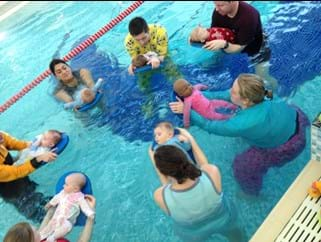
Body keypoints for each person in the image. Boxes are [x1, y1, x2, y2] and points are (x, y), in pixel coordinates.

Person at [169, 73, 309, 195]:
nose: (230, 91)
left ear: (246, 100)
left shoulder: (241, 124)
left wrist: (188, 111)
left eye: (234, 91)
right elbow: (225, 94)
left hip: (288, 147)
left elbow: (209, 125)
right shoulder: (264, 93)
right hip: (299, 119)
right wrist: (196, 96)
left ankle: (251, 195)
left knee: (242, 167)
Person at [149, 128, 244, 242]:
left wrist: (154, 159)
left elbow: (165, 186)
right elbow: (204, 164)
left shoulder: (159, 195)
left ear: (163, 172)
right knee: (234, 233)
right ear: (186, 159)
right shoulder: (212, 172)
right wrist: (190, 138)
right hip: (223, 219)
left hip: (193, 233)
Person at [204, 1, 278, 90]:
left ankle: (277, 93)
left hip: (256, 45)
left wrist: (224, 44)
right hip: (232, 39)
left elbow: (239, 48)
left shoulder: (249, 16)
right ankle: (217, 59)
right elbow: (213, 33)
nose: (216, 8)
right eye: (215, 4)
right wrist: (196, 37)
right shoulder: (219, 12)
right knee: (216, 53)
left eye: (220, 5)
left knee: (262, 78)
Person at [3, 195, 96, 242]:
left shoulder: (36, 238)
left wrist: (50, 212)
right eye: (35, 230)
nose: (37, 229)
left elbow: (42, 230)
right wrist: (90, 216)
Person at [39, 173, 95, 242]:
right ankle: (42, 236)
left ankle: (53, 237)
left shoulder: (79, 197)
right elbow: (56, 198)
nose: (63, 185)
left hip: (67, 220)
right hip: (57, 217)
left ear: (75, 188)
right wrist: (50, 204)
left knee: (68, 226)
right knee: (48, 227)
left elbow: (84, 206)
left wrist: (90, 213)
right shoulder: (63, 193)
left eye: (66, 184)